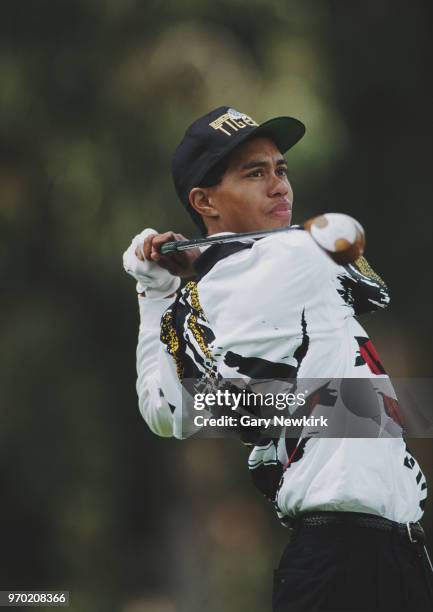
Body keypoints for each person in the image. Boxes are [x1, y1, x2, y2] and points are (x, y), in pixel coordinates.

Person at [123, 106, 432, 611]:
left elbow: (166, 412)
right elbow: (350, 244)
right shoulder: (291, 256)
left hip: (376, 550)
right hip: (346, 558)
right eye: (254, 173)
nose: (279, 186)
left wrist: (154, 290)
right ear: (204, 200)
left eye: (280, 169)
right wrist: (193, 270)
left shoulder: (210, 291)